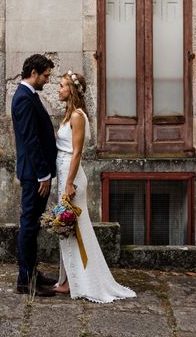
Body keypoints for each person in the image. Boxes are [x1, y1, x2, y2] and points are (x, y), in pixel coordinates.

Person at [53, 70, 136, 303]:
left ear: (71, 90)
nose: (58, 89)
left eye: (61, 86)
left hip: (71, 175)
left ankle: (77, 281)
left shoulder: (78, 116)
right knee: (66, 227)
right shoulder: (67, 115)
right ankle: (68, 278)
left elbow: (77, 152)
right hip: (63, 171)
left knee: (74, 227)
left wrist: (69, 183)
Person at [11, 54, 58, 297]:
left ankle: (31, 272)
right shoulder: (23, 99)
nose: (47, 81)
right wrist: (43, 174)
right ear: (34, 73)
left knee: (32, 225)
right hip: (34, 176)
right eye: (46, 75)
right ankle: (25, 280)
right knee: (28, 226)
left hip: (35, 173)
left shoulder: (29, 96)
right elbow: (30, 140)